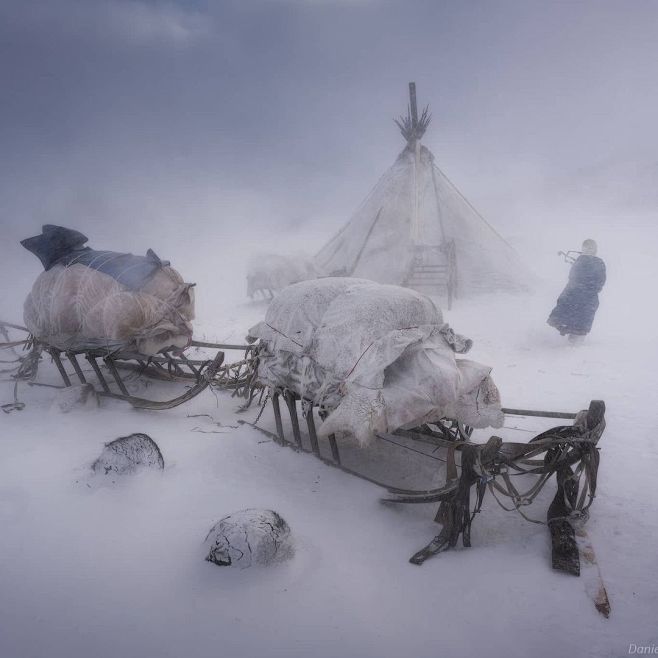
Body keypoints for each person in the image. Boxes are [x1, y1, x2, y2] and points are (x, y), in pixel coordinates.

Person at [547, 239, 606, 343]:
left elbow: (601, 280)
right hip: (576, 292)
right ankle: (569, 335)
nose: (588, 250)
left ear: (595, 249)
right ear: (583, 249)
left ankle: (576, 343)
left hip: (587, 295)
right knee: (569, 312)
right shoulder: (582, 260)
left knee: (581, 318)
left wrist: (591, 289)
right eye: (586, 247)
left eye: (590, 247)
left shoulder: (598, 262)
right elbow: (573, 276)